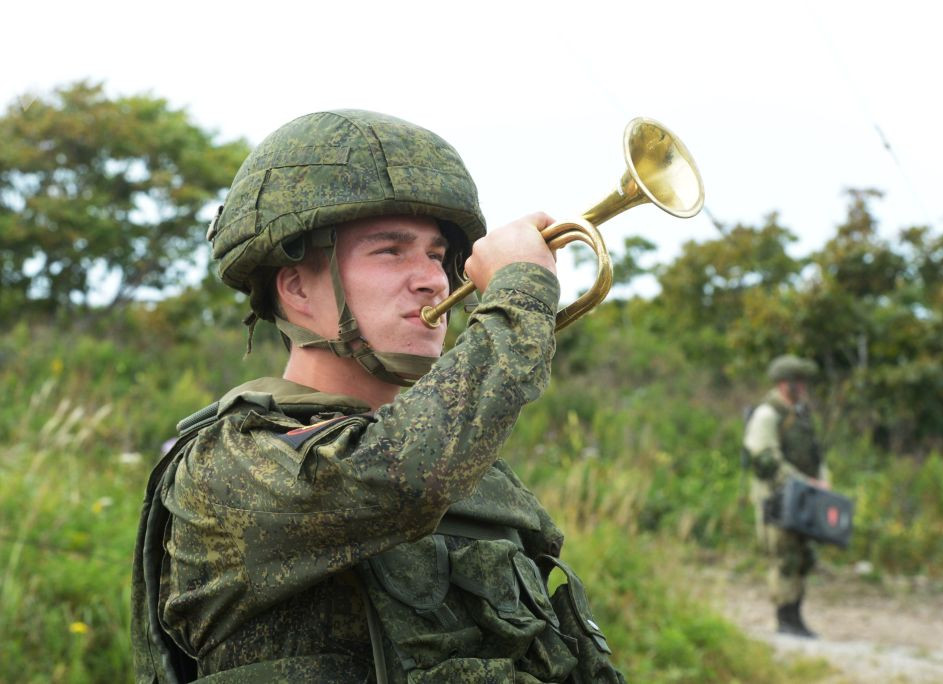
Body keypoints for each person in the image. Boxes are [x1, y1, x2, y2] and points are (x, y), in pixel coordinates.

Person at [130, 109, 625, 683]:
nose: (434, 280)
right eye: (391, 252)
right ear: (297, 289)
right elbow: (401, 474)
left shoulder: (478, 473)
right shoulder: (233, 463)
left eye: (438, 256)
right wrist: (519, 299)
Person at [742, 353, 828, 638]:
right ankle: (785, 620)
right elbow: (766, 459)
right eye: (798, 381)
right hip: (776, 498)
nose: (803, 386)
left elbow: (815, 455)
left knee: (803, 557)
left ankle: (796, 616)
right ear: (784, 383)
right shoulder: (767, 415)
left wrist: (822, 482)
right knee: (784, 558)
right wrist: (806, 483)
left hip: (803, 496)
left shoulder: (800, 414)